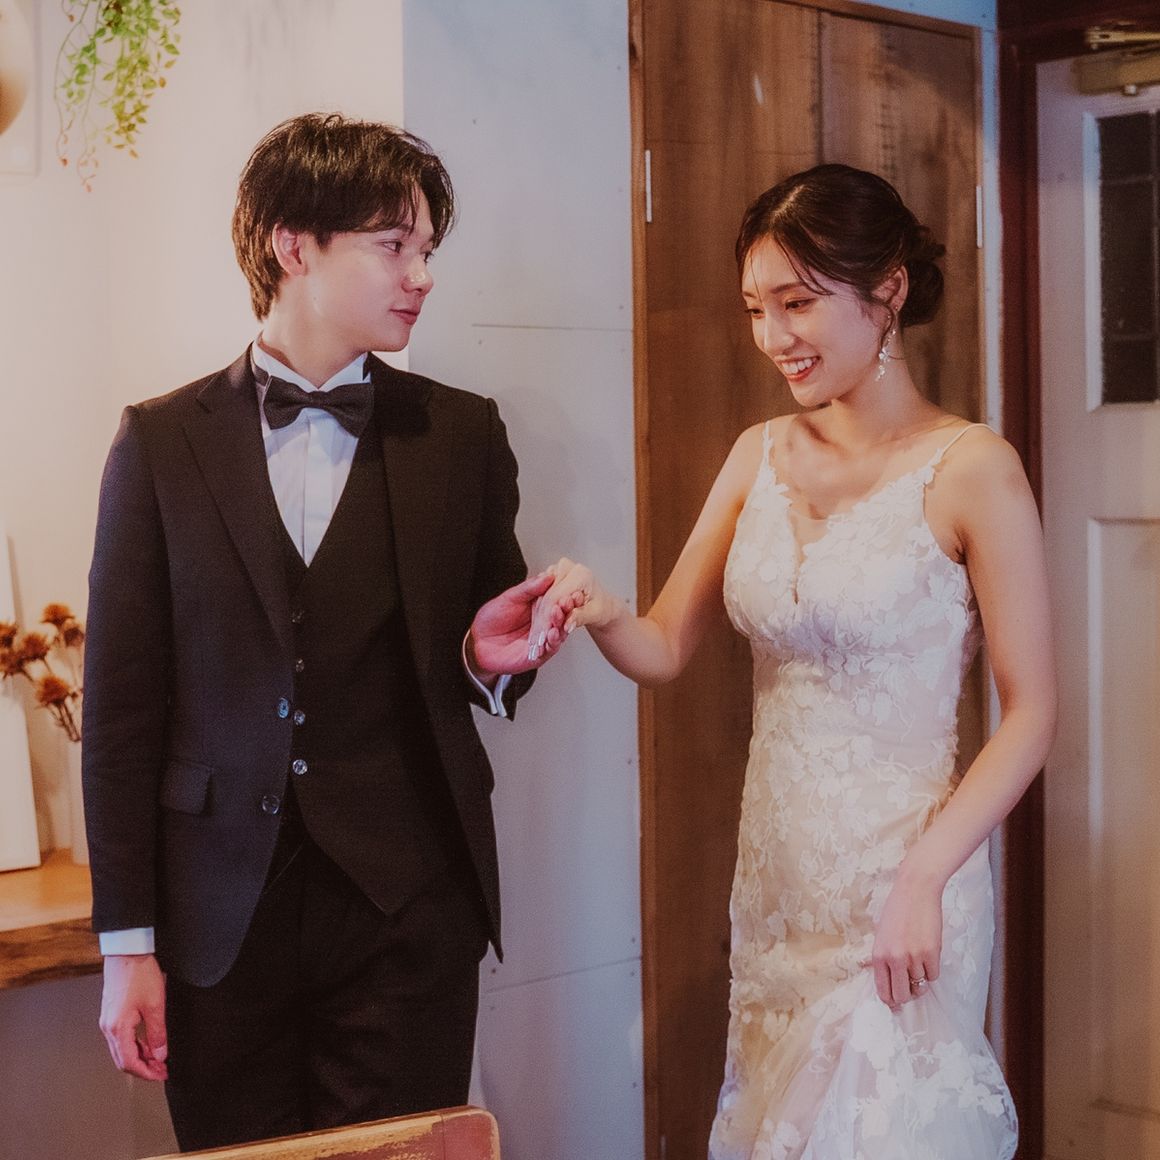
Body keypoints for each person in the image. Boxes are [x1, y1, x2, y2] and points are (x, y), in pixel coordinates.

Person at [532, 164, 1056, 1158]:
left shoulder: (974, 468)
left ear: (887, 290)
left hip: (908, 882)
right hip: (775, 891)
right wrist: (600, 610)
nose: (773, 336)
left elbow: (1030, 712)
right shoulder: (756, 453)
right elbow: (664, 645)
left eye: (797, 303)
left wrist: (924, 876)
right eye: (755, 309)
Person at [82, 113, 557, 1151]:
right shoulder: (159, 442)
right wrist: (127, 945)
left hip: (405, 911)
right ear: (293, 245)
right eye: (394, 245)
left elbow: (492, 645)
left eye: (426, 249)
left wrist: (486, 661)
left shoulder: (460, 434)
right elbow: (119, 711)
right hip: (217, 920)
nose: (422, 275)